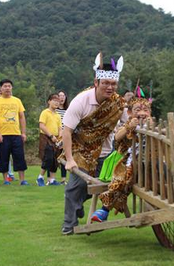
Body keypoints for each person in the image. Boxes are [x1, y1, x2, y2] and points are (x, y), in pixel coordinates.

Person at [61, 52, 127, 235]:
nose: (109, 87)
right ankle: (69, 226)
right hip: (79, 150)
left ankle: (79, 204)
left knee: (98, 187)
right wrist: (69, 159)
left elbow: (127, 125)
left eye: (113, 84)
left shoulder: (119, 104)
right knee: (75, 187)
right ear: (96, 82)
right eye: (105, 83)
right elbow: (66, 131)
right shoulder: (81, 101)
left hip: (104, 152)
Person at [92, 88, 152, 222]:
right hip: (130, 163)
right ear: (130, 112)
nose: (142, 113)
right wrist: (129, 127)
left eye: (145, 110)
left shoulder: (153, 125)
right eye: (137, 110)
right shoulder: (127, 124)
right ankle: (105, 209)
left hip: (150, 162)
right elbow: (117, 137)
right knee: (121, 180)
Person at [0, 79, 29, 186]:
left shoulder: (17, 101)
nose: (7, 88)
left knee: (19, 156)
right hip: (3, 134)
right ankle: (6, 179)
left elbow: (22, 117)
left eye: (9, 86)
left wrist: (23, 132)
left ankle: (22, 180)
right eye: (5, 86)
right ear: (1, 88)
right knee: (4, 157)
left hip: (16, 134)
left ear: (12, 88)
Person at [36, 93, 62, 186]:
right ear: (49, 101)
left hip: (55, 138)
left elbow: (60, 128)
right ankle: (40, 177)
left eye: (58, 101)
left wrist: (59, 137)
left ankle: (52, 179)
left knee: (55, 159)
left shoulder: (58, 115)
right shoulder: (45, 112)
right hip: (46, 137)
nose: (56, 102)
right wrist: (51, 136)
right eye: (54, 100)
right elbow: (42, 125)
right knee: (48, 157)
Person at [56, 90, 69, 184]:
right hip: (56, 136)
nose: (62, 98)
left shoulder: (69, 110)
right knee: (53, 157)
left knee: (64, 157)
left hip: (66, 136)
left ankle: (63, 178)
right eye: (60, 96)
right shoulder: (54, 110)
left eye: (63, 95)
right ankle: (50, 178)